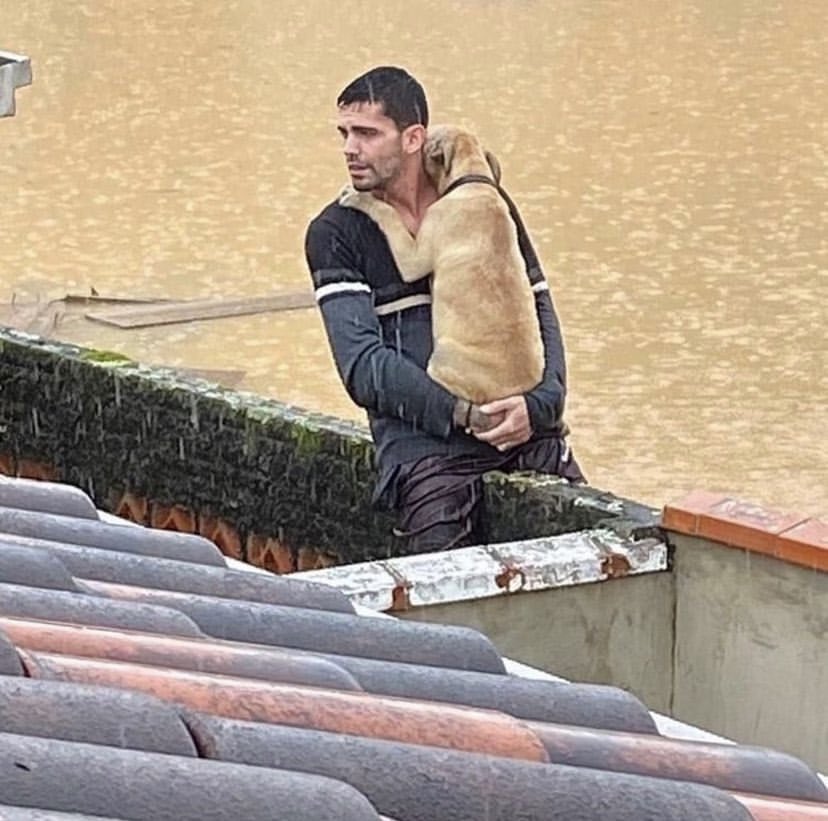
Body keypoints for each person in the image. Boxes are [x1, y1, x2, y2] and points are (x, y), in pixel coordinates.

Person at [304, 66, 585, 554]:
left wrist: (539, 407)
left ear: (414, 138)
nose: (350, 148)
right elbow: (363, 367)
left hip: (527, 434)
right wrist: (464, 416)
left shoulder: (483, 202)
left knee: (601, 554)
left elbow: (539, 308)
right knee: (445, 608)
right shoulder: (336, 232)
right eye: (344, 134)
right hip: (428, 452)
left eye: (367, 134)